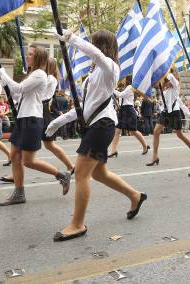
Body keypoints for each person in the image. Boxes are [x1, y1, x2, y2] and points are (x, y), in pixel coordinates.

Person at [45, 29, 146, 241]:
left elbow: (97, 57)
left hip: (103, 125)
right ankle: (135, 196)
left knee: (81, 174)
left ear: (102, 46)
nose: (91, 48)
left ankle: (77, 224)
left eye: (93, 43)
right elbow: (84, 109)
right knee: (99, 173)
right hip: (96, 124)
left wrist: (73, 40)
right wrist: (57, 122)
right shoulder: (92, 76)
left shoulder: (111, 68)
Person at [0, 46, 72, 206]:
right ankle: (19, 193)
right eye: (28, 54)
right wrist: (4, 83)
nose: (27, 57)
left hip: (32, 119)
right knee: (15, 156)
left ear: (38, 58)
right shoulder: (33, 74)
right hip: (23, 118)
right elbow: (18, 94)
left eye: (30, 54)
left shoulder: (40, 75)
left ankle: (61, 175)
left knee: (28, 161)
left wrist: (4, 74)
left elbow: (19, 88)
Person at [147, 67, 190, 166]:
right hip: (165, 112)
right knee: (156, 131)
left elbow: (171, 77)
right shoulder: (165, 88)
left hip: (175, 112)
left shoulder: (176, 85)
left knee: (179, 134)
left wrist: (165, 71)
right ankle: (155, 156)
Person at [108, 77, 150, 158]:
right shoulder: (122, 88)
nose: (120, 79)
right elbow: (119, 97)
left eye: (123, 78)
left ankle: (145, 146)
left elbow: (121, 95)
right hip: (122, 110)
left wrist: (112, 89)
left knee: (133, 131)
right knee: (117, 131)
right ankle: (113, 151)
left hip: (129, 110)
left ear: (126, 79)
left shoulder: (130, 87)